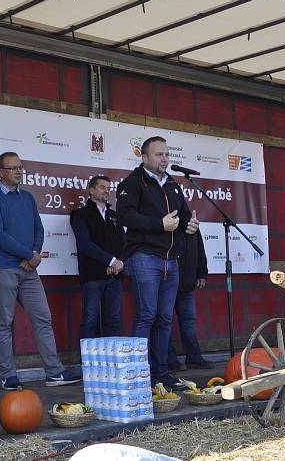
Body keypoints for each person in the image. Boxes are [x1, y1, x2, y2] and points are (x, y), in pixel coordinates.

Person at [0, 152, 81, 390]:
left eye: (21, 167)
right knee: (4, 323)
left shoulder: (27, 197)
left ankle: (54, 373)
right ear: (0, 172)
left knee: (43, 319)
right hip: (5, 267)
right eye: (13, 168)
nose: (19, 171)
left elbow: (38, 228)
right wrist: (28, 255)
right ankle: (8, 376)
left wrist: (34, 254)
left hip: (29, 269)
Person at [116, 136, 199, 390]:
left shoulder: (173, 184)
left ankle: (162, 373)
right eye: (158, 154)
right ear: (144, 157)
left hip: (170, 262)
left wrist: (191, 225)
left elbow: (184, 217)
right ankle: (139, 373)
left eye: (166, 154)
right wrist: (158, 225)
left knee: (164, 318)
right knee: (147, 316)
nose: (164, 159)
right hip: (145, 258)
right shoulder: (133, 183)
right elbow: (124, 216)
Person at [70, 175, 126, 338]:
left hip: (116, 276)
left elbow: (125, 243)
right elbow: (85, 244)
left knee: (113, 320)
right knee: (90, 319)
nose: (106, 191)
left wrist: (119, 263)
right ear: (91, 190)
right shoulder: (79, 214)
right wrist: (111, 261)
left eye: (108, 188)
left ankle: (110, 361)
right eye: (102, 187)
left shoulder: (115, 215)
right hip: (93, 276)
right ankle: (88, 362)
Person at [167, 230, 211, 371]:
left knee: (189, 323)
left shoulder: (192, 224)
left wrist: (202, 273)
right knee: (165, 322)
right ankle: (169, 359)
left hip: (187, 283)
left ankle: (194, 358)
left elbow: (200, 250)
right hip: (166, 282)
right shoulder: (165, 221)